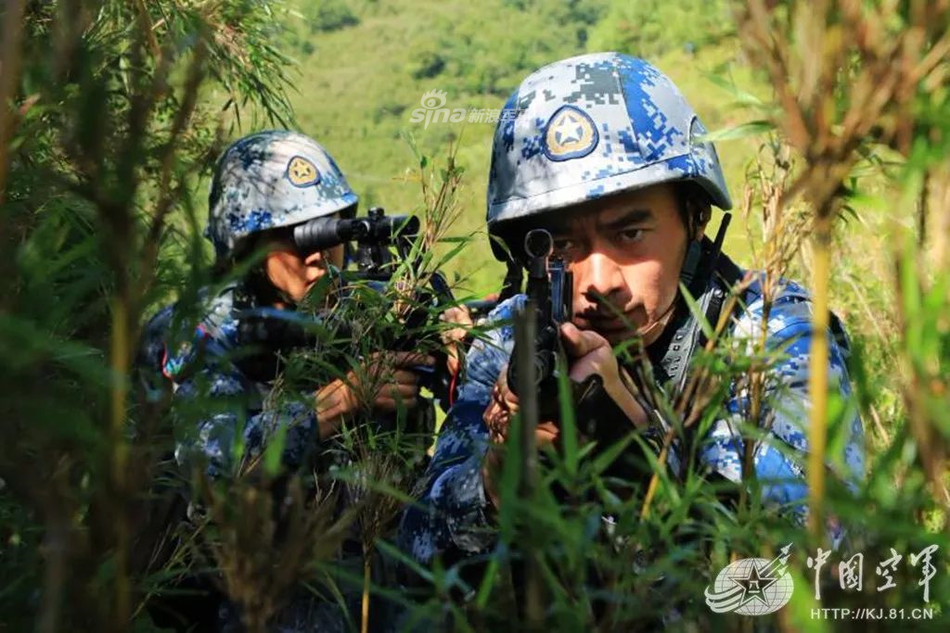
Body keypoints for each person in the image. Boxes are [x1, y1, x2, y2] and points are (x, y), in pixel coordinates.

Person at [399, 53, 865, 567]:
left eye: (630, 234)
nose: (599, 282)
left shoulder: (773, 337)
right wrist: (492, 485)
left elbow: (819, 562)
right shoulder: (514, 340)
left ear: (695, 220)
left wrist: (636, 443)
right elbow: (411, 558)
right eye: (562, 246)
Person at [137, 130, 450, 632]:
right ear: (244, 248)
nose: (318, 254)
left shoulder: (362, 309)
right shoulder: (203, 330)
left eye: (330, 231)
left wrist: (448, 346)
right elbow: (214, 471)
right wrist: (340, 401)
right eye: (296, 236)